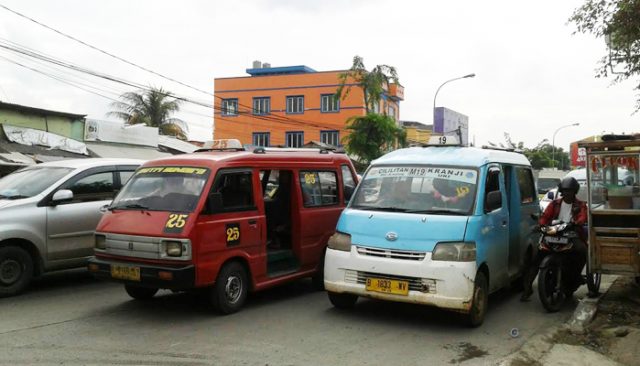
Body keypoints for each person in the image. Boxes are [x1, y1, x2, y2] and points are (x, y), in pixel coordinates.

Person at [520, 176, 588, 301]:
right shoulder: (554, 203)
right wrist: (541, 224)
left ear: (575, 192)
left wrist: (576, 222)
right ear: (562, 191)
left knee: (582, 251)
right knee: (536, 258)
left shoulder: (581, 205)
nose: (568, 193)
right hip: (553, 234)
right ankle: (527, 288)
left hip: (572, 235)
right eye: (566, 191)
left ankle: (576, 278)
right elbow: (545, 217)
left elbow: (583, 217)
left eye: (570, 191)